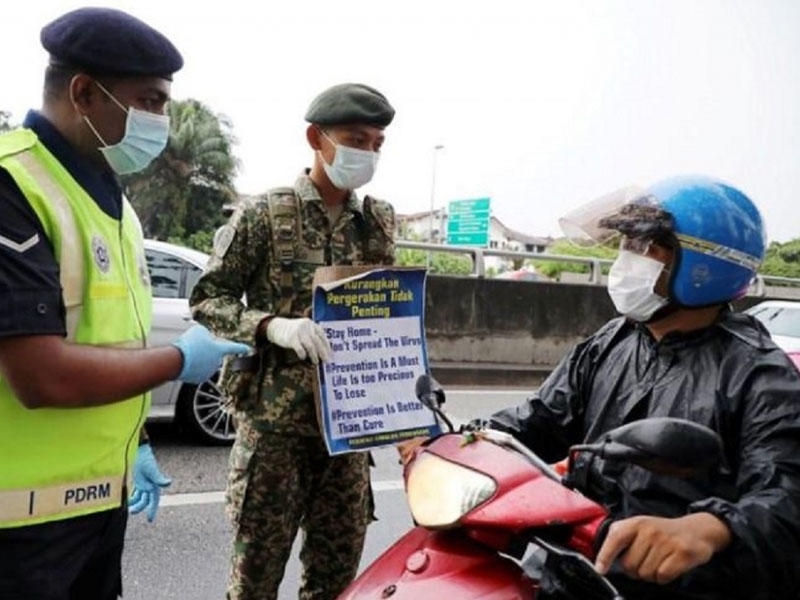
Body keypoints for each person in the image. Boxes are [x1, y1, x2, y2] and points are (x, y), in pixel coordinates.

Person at [0, 8, 250, 600]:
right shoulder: (15, 185)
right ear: (85, 92)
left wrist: (133, 439)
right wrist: (178, 360)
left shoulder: (110, 199)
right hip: (16, 530)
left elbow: (106, 335)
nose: (161, 120)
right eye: (151, 101)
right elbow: (40, 376)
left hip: (94, 509)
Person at [472, 176, 800, 599]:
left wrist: (711, 529)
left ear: (706, 267)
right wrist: (464, 440)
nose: (628, 261)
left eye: (646, 247)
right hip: (579, 568)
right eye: (626, 245)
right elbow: (538, 420)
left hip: (681, 585)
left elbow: (786, 495)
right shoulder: (613, 341)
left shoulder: (758, 374)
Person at [189, 83, 396, 600]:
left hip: (347, 433)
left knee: (334, 582)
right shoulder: (265, 215)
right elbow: (208, 301)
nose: (367, 152)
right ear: (316, 138)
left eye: (376, 142)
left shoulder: (378, 224)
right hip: (273, 431)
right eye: (356, 138)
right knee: (254, 583)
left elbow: (391, 317)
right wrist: (269, 327)